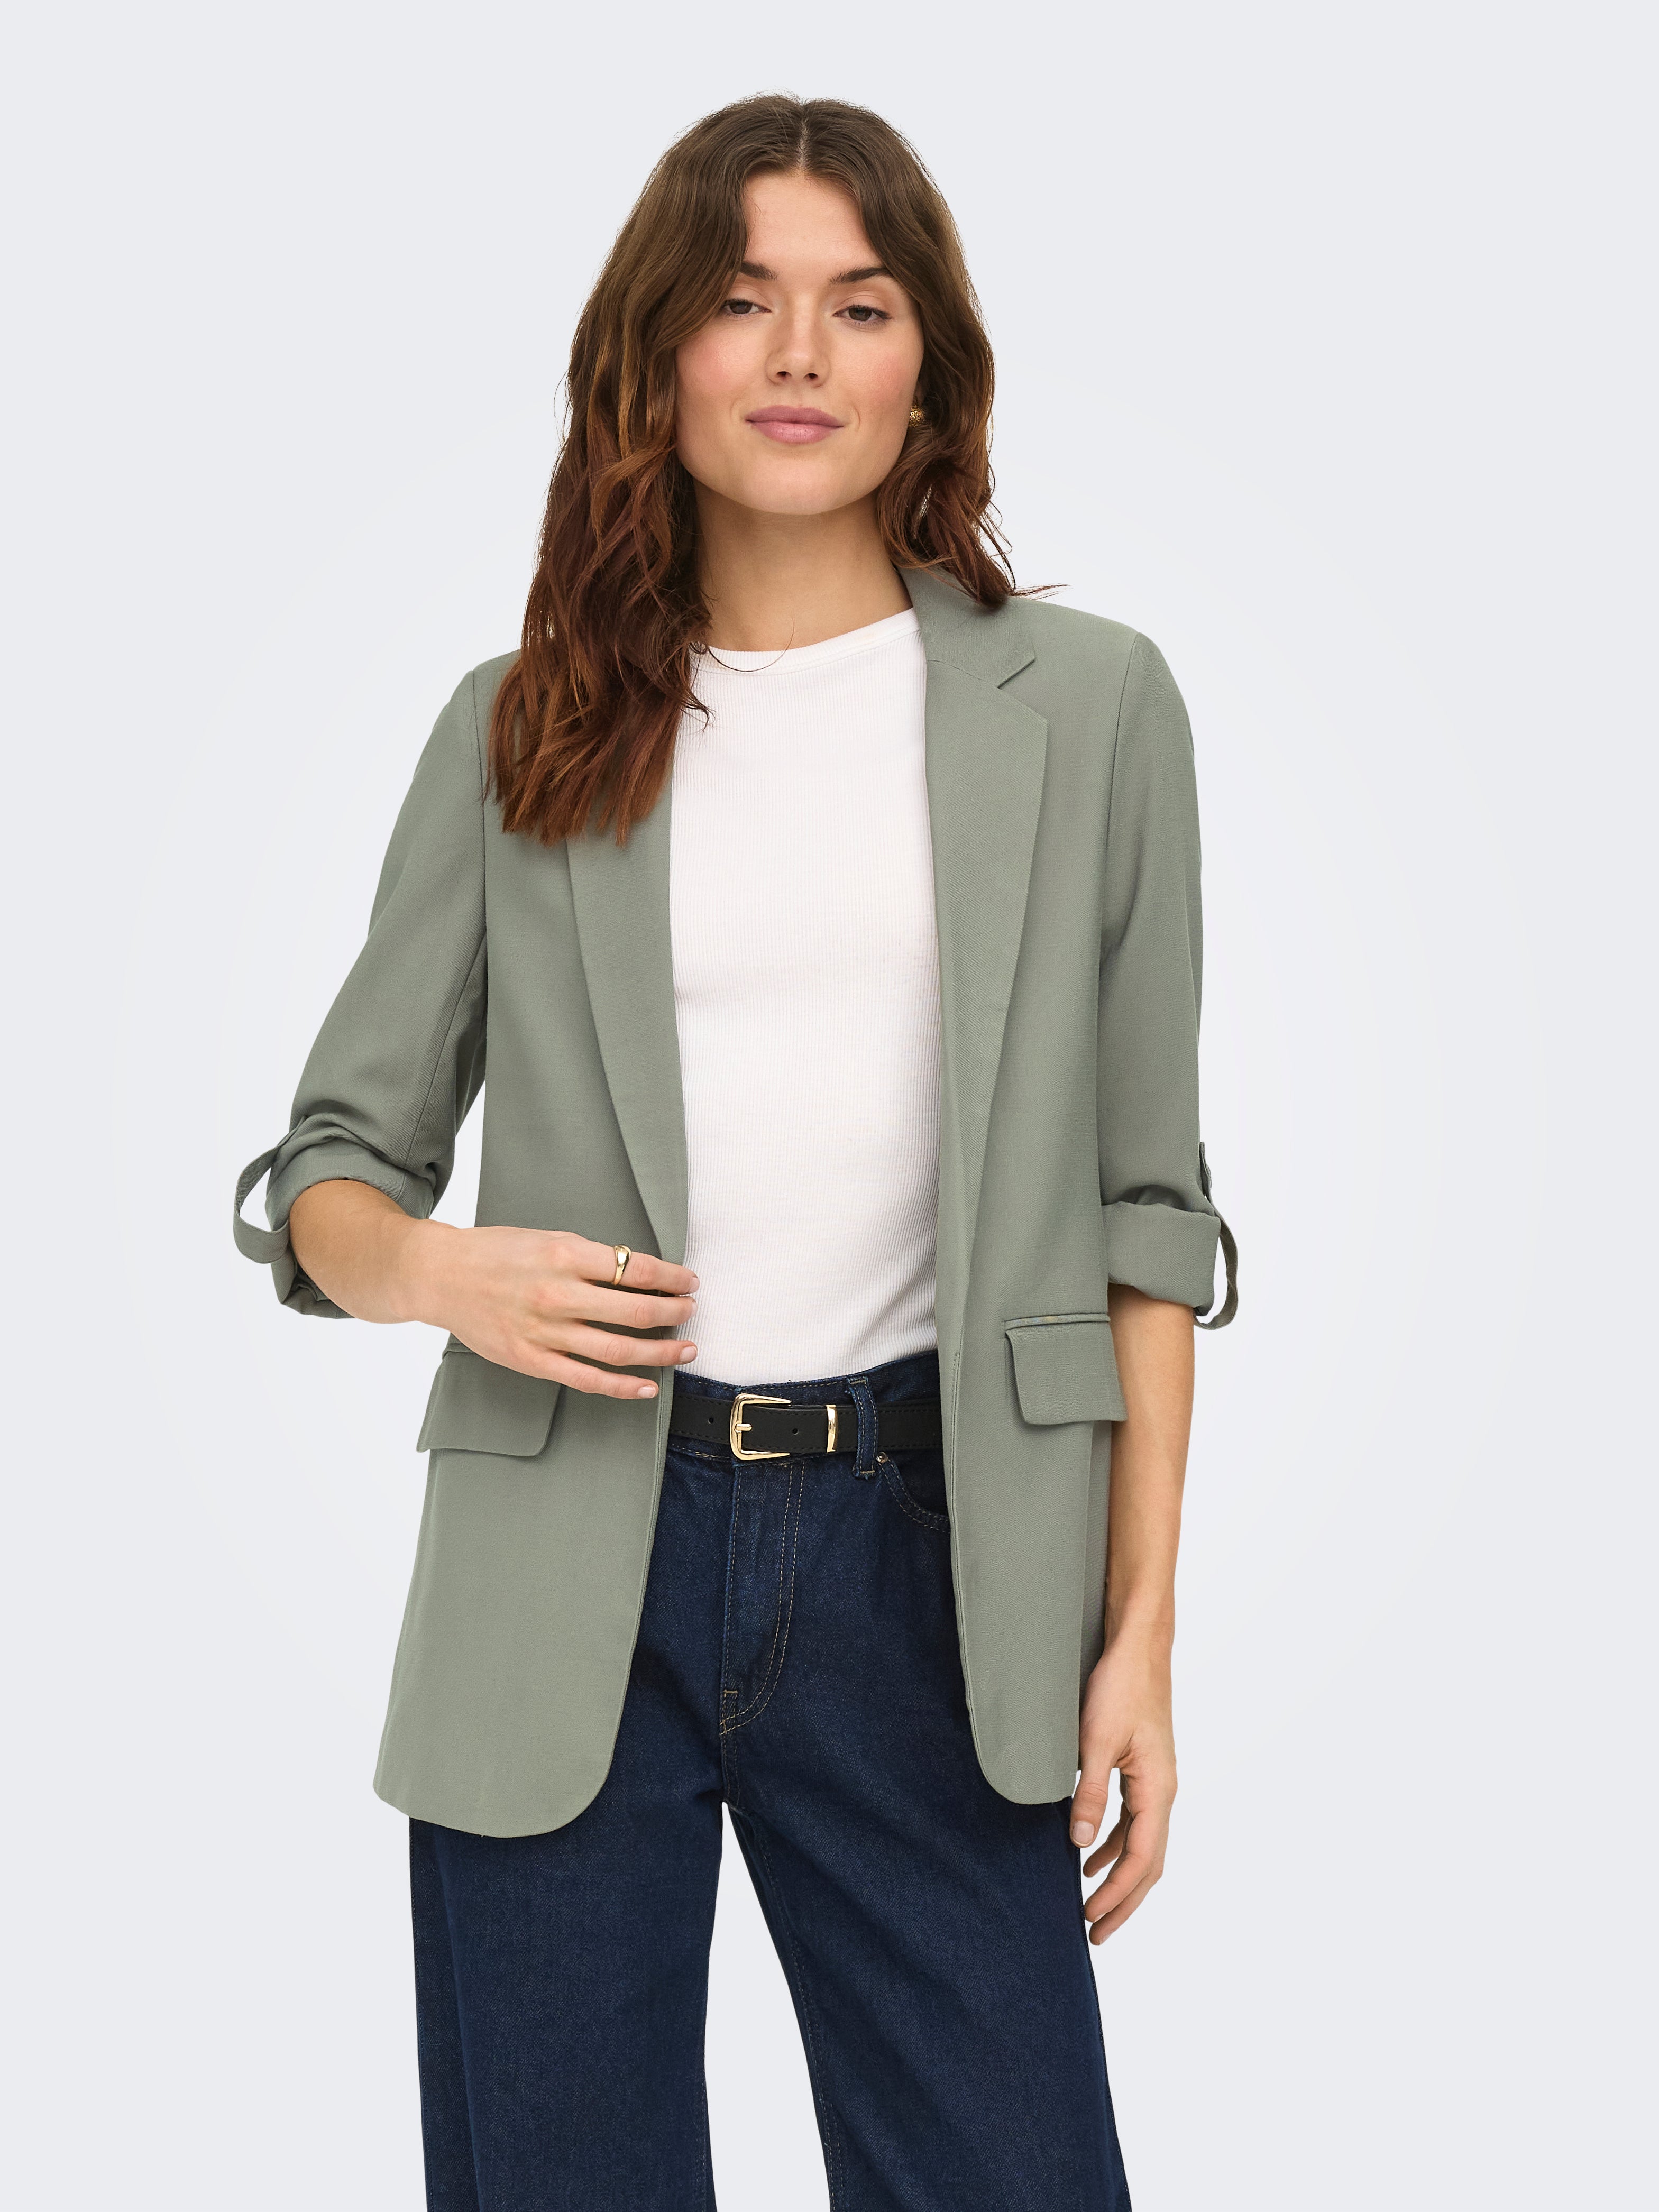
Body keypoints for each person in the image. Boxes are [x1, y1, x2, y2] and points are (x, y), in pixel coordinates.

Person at [233, 91, 1235, 2212]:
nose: (795, 355)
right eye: (738, 299)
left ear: (926, 364)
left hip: (930, 1554)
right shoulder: (518, 724)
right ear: (654, 356)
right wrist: (442, 1268)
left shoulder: (1089, 710)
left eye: (856, 306)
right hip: (565, 1551)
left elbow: (1148, 1209)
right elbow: (326, 1166)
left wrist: (1138, 1630)